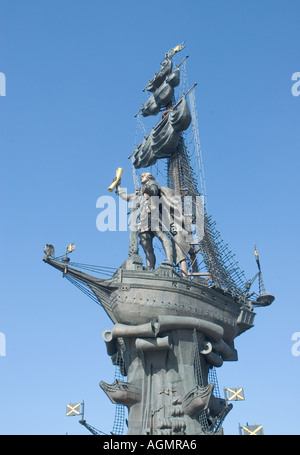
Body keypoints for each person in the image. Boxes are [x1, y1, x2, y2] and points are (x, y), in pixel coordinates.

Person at [116, 173, 173, 269]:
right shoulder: (140, 193)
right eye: (141, 175)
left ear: (149, 177)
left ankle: (169, 260)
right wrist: (118, 186)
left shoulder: (152, 184)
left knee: (161, 235)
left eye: (144, 175)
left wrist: (145, 189)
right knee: (147, 246)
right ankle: (150, 268)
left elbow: (154, 191)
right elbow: (125, 196)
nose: (141, 176)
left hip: (153, 216)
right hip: (143, 220)